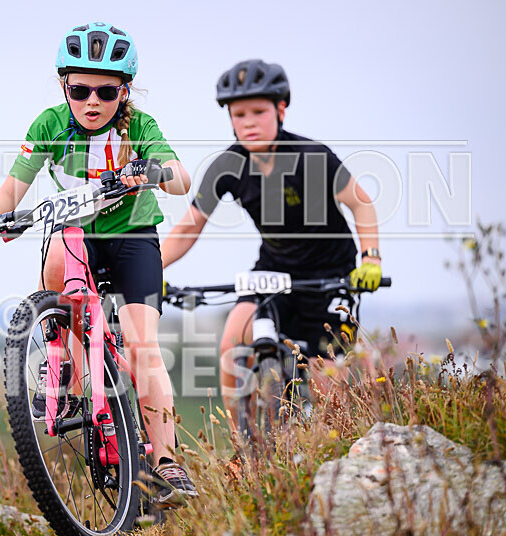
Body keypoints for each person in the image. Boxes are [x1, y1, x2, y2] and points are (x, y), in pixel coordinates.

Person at [0, 22, 197, 505]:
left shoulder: (139, 126)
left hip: (133, 238)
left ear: (124, 91)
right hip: (75, 236)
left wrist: (150, 171)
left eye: (107, 91)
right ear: (63, 87)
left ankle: (167, 461)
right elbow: (13, 189)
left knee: (141, 344)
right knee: (57, 247)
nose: (93, 101)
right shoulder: (48, 125)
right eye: (80, 89)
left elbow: (181, 179)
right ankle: (65, 367)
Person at [161, 59, 382, 420]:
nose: (248, 122)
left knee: (329, 381)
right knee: (233, 340)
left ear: (281, 109)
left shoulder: (312, 157)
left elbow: (361, 203)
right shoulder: (226, 166)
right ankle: (244, 450)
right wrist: (153, 268)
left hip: (329, 275)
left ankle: (324, 446)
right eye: (238, 113)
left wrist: (371, 258)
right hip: (274, 270)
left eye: (258, 111)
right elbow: (189, 226)